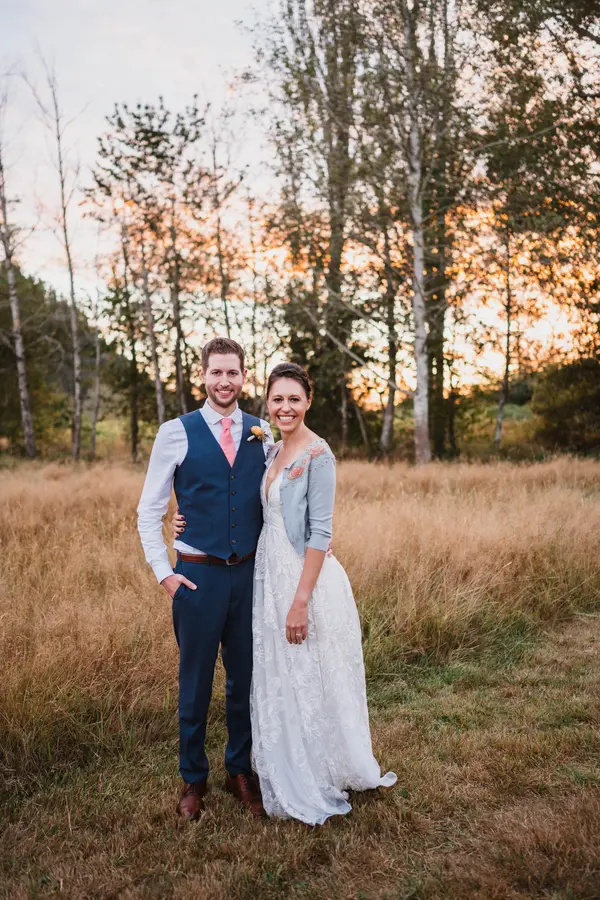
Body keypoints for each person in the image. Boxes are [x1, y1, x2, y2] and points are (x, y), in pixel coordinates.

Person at [174, 362, 396, 825]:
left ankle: (316, 771)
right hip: (265, 577)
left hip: (301, 582)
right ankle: (278, 762)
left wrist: (300, 601)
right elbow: (235, 500)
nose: (285, 407)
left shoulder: (318, 454)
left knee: (308, 675)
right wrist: (184, 518)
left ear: (308, 402)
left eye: (294, 399)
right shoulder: (269, 447)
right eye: (277, 399)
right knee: (278, 675)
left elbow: (321, 531)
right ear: (267, 403)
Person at [137, 336, 274, 821]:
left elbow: (274, 499)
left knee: (244, 681)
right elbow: (149, 511)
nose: (224, 381)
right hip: (196, 576)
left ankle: (239, 770)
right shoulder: (175, 433)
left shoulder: (263, 432)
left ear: (244, 376)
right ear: (203, 375)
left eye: (232, 372)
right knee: (194, 682)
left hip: (249, 576)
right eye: (216, 372)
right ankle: (193, 778)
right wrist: (164, 574)